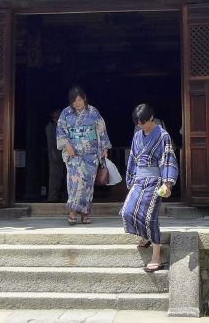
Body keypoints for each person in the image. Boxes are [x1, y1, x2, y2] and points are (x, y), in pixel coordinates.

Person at [120, 103, 179, 272]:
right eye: (138, 123)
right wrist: (131, 180)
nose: (140, 125)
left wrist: (167, 183)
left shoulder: (163, 135)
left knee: (149, 216)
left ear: (151, 118)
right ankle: (145, 236)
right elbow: (132, 158)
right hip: (139, 179)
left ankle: (156, 256)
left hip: (155, 180)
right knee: (128, 211)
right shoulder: (137, 136)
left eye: (143, 122)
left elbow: (168, 158)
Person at [56, 86, 111, 224]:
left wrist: (104, 147)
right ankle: (73, 212)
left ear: (84, 98)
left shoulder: (93, 112)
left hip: (91, 155)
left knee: (88, 183)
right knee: (74, 183)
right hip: (73, 154)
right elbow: (61, 131)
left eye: (79, 100)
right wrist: (67, 146)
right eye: (74, 101)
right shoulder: (66, 113)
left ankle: (86, 212)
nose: (77, 103)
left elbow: (101, 130)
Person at [45, 109, 66, 203]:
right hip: (55, 153)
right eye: (57, 112)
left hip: (64, 153)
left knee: (63, 175)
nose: (59, 114)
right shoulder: (50, 126)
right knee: (55, 175)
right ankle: (52, 197)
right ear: (52, 114)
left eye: (60, 112)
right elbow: (51, 142)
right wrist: (53, 153)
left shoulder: (62, 125)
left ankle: (62, 196)